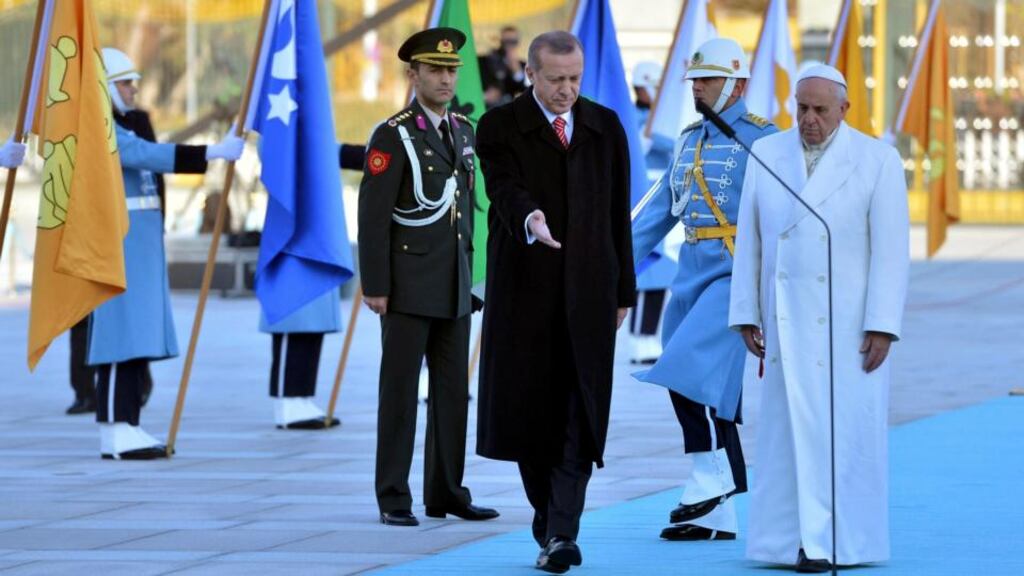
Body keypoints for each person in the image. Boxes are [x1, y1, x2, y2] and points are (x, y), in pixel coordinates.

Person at [729, 64, 909, 572]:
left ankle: (840, 542)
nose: (809, 119)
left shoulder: (877, 160)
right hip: (785, 324)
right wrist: (747, 310)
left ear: (844, 110)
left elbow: (892, 252)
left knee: (846, 435)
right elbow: (751, 241)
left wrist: (882, 324)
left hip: (849, 329)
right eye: (801, 108)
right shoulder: (766, 153)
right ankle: (790, 542)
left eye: (820, 110)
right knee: (788, 437)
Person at [475, 30, 635, 574]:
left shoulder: (605, 126)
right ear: (531, 75)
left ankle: (563, 532)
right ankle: (549, 522)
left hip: (590, 293)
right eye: (556, 80)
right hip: (524, 297)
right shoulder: (499, 126)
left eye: (574, 79)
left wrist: (624, 289)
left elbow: (619, 216)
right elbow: (502, 187)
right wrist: (530, 218)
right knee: (528, 417)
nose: (567, 90)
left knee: (577, 413)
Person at [632, 38, 777, 543]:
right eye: (694, 79)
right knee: (703, 386)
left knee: (685, 369)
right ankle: (715, 514)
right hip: (691, 270)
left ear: (736, 85)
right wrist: (605, 267)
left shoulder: (765, 140)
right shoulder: (689, 139)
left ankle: (712, 478)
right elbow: (654, 214)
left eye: (708, 80)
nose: (696, 87)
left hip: (738, 273)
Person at [358, 27, 497, 527]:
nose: (444, 78)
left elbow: (467, 211)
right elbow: (373, 216)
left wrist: (471, 273)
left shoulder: (463, 129)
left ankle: (446, 491)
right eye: (434, 70)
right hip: (407, 285)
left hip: (453, 285)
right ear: (413, 74)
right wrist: (375, 284)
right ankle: (394, 495)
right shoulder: (392, 135)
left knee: (452, 394)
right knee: (399, 394)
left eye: (451, 70)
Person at [88, 48, 244, 460]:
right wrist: (209, 154)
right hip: (119, 246)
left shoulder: (121, 124)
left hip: (138, 245)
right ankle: (115, 429)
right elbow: (144, 155)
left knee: (136, 334)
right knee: (120, 338)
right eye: (125, 83)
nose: (134, 89)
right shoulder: (99, 128)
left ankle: (130, 424)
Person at [261, 143, 365, 430]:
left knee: (311, 326)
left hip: (316, 236)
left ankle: (303, 396)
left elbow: (334, 151)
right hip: (290, 236)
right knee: (290, 323)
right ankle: (286, 400)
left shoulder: (314, 136)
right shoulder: (281, 133)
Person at [629, 60, 672, 365]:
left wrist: (656, 135)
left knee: (662, 275)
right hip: (639, 199)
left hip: (664, 197)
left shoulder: (662, 119)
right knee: (643, 271)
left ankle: (652, 336)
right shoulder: (630, 115)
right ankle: (638, 338)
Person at [478, 25, 527, 109]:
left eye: (513, 42)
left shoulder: (523, 65)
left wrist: (516, 71)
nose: (509, 45)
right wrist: (484, 96)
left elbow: (525, 90)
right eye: (505, 41)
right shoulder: (484, 61)